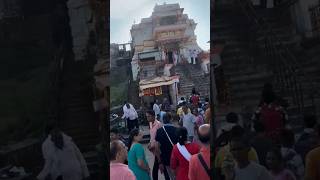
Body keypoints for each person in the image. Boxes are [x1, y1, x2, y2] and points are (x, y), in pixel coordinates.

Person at [155, 113, 179, 180]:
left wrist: (159, 162)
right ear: (171, 119)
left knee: (168, 177)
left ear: (163, 120)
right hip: (177, 158)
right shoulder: (177, 130)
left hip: (165, 159)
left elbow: (157, 147)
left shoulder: (159, 131)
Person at [146, 110, 162, 180]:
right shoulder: (150, 123)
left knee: (157, 166)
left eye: (148, 116)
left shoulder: (158, 124)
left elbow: (161, 137)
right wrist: (150, 143)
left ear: (153, 116)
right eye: (146, 116)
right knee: (158, 166)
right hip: (153, 148)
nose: (147, 118)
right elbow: (152, 135)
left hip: (158, 148)